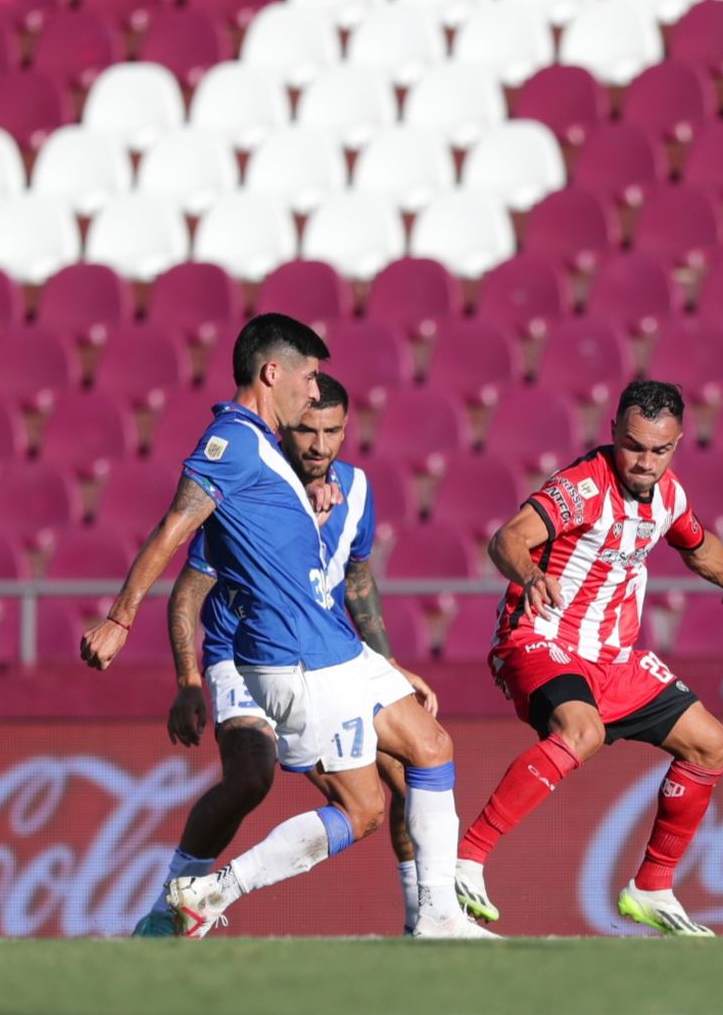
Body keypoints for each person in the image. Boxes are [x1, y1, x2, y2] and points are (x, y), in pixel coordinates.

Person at [81, 313, 493, 940]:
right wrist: (121, 619)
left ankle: (436, 916)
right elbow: (174, 529)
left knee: (432, 746)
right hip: (292, 657)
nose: (313, 390)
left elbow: (340, 578)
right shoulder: (233, 443)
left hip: (330, 645)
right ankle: (207, 894)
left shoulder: (276, 456)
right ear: (274, 373)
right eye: (308, 376)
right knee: (358, 809)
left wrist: (385, 662)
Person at [453, 380, 723, 936]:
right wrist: (530, 575)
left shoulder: (669, 495)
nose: (645, 461)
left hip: (612, 658)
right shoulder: (582, 487)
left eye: (659, 449)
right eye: (633, 445)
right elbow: (508, 537)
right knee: (583, 731)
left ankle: (652, 887)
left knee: (713, 744)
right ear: (614, 433)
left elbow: (698, 545)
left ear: (678, 443)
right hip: (540, 637)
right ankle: (467, 859)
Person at [133, 374, 425, 937]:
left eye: (332, 431)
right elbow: (189, 592)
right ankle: (167, 911)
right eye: (307, 430)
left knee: (410, 775)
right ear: (287, 427)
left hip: (322, 658)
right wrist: (188, 678)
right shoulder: (251, 486)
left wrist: (388, 667)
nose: (319, 445)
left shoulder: (356, 492)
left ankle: (424, 924)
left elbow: (358, 583)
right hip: (240, 655)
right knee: (251, 776)